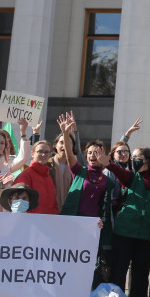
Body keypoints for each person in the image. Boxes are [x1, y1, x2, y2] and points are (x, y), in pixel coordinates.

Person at [57, 113, 120, 286]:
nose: (93, 155)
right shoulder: (80, 170)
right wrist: (65, 133)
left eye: (97, 152)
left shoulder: (108, 180)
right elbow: (69, 152)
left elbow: (106, 206)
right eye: (90, 152)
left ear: (104, 155)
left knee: (87, 265)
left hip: (92, 227)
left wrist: (102, 221)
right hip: (74, 223)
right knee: (69, 261)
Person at [107, 146, 150, 297]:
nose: (133, 159)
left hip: (146, 233)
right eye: (131, 156)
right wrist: (108, 162)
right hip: (125, 230)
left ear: (147, 159)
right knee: (119, 270)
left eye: (137, 156)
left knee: (141, 272)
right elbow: (117, 169)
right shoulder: (131, 177)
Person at [13, 140, 59, 214]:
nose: (43, 155)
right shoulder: (26, 175)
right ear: (32, 154)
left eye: (46, 152)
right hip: (32, 222)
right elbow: (18, 204)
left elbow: (53, 204)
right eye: (40, 151)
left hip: (49, 222)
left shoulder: (48, 176)